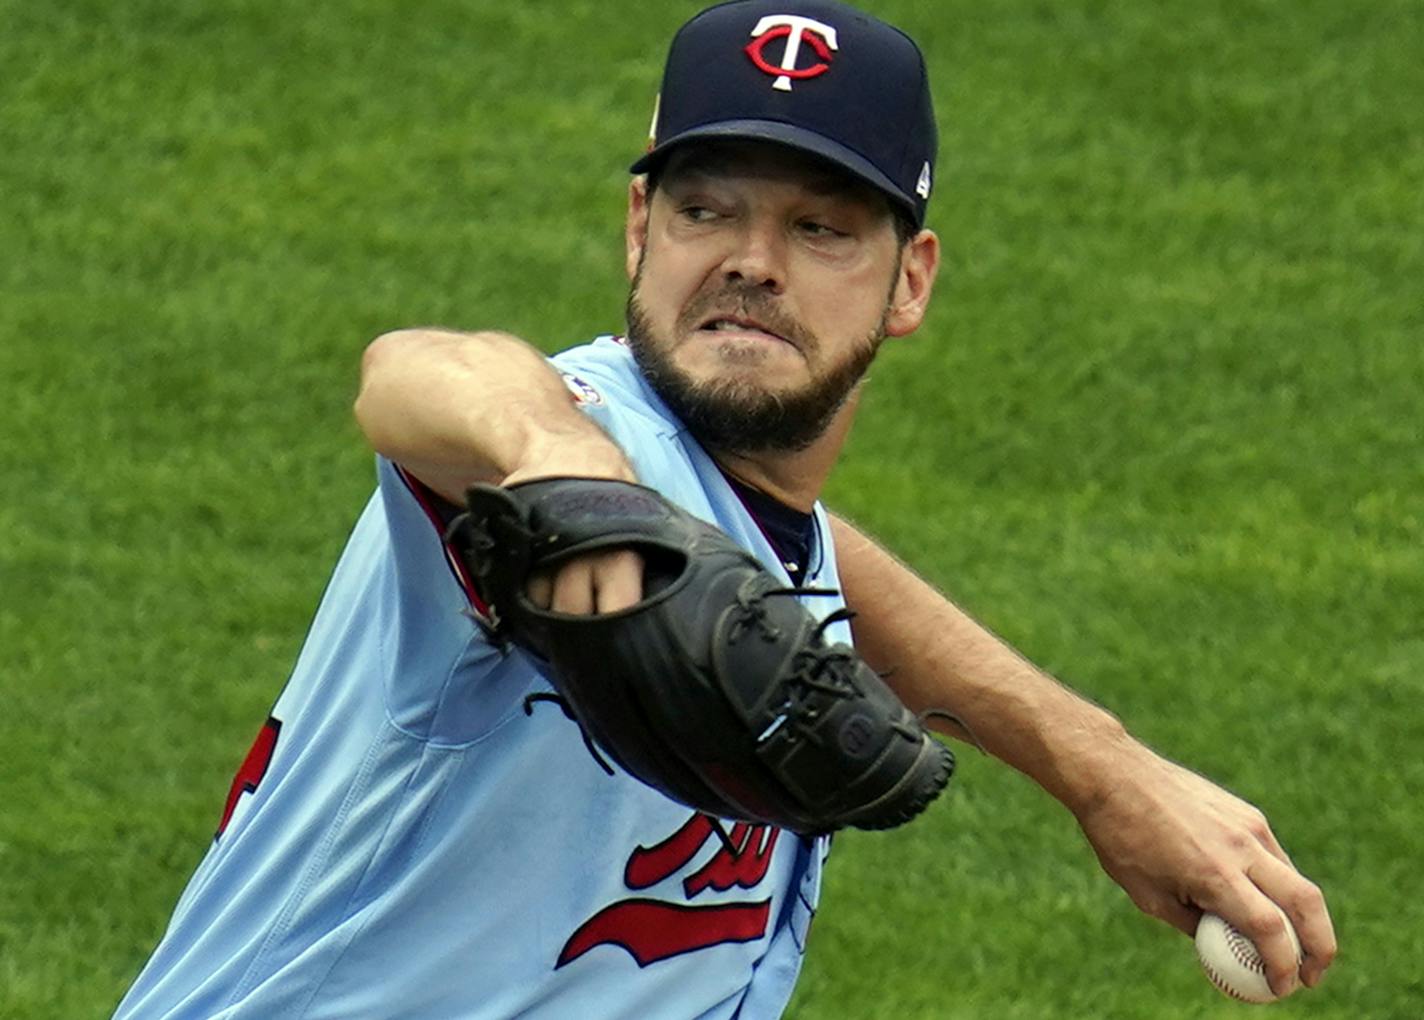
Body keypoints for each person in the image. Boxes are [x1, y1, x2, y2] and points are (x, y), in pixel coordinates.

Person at [114, 1, 1335, 1017]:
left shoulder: (741, 537)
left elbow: (800, 563)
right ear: (639, 228)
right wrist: (555, 469)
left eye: (819, 228)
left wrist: (1098, 768)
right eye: (706, 210)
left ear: (908, 282)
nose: (752, 259)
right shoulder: (568, 451)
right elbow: (416, 375)